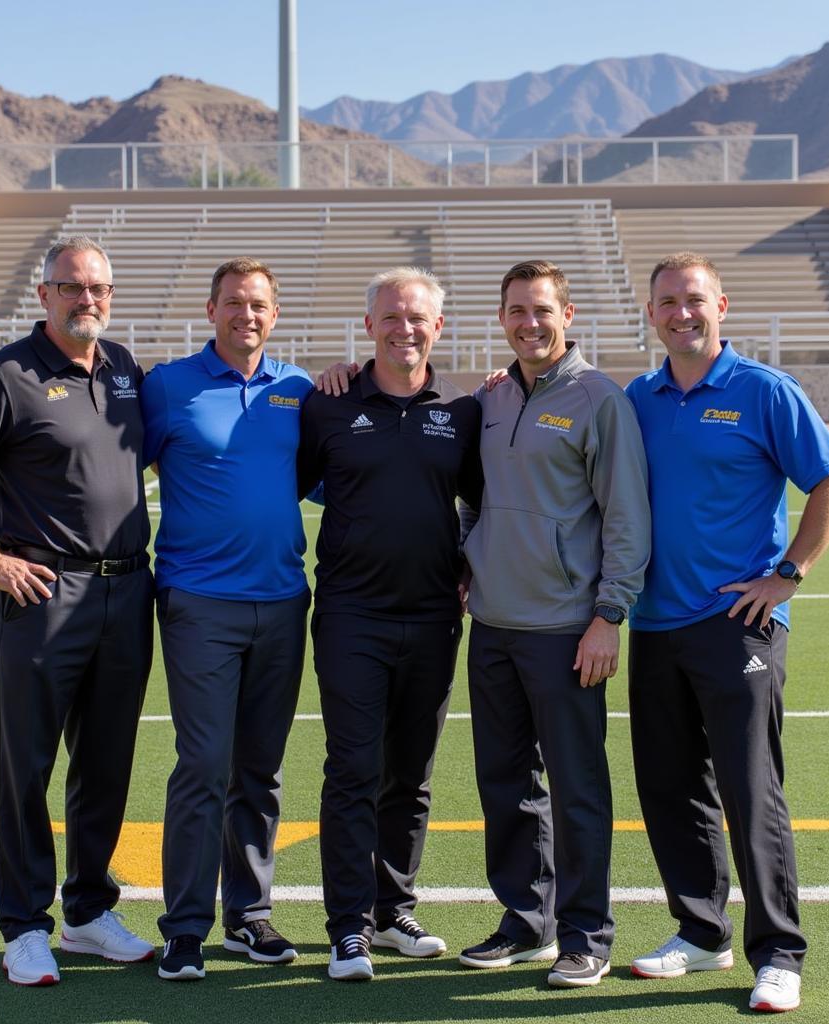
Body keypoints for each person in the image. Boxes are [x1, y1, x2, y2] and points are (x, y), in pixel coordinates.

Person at [0, 235, 155, 986]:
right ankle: (23, 924)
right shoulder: (5, 377)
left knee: (106, 760)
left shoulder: (123, 369)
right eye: (72, 287)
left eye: (99, 288)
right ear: (44, 294)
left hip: (128, 589)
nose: (88, 299)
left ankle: (88, 912)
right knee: (25, 764)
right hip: (45, 595)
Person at [625, 252, 829, 1014]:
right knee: (669, 787)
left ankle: (779, 952)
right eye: (668, 302)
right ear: (651, 312)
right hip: (655, 624)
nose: (681, 313)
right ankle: (700, 932)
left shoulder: (763, 391)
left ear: (721, 305)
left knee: (750, 790)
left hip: (739, 624)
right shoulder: (638, 396)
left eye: (694, 300)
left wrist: (787, 574)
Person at [458, 259, 650, 988]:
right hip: (494, 625)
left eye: (542, 310)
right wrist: (468, 562)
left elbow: (627, 516)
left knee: (576, 788)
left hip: (567, 629)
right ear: (502, 318)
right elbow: (476, 497)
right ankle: (524, 921)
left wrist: (608, 616)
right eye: (516, 310)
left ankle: (586, 935)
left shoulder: (600, 398)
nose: (529, 323)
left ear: (567, 315)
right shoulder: (495, 398)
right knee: (504, 783)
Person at [297, 267, 483, 981]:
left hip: (436, 616)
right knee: (352, 770)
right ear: (369, 324)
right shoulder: (328, 405)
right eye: (392, 317)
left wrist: (469, 563)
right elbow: (283, 483)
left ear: (438, 328)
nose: (405, 329)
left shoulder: (464, 412)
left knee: (412, 773)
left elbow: (485, 499)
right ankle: (348, 927)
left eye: (419, 319)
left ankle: (392, 907)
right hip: (351, 616)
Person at [141, 257, 314, 981]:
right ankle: (184, 925)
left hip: (282, 601)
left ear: (275, 314)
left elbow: (331, 475)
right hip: (198, 603)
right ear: (211, 309)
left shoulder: (300, 390)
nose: (248, 314)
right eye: (236, 303)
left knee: (260, 769)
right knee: (204, 764)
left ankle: (248, 916)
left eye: (261, 305)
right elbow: (111, 469)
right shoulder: (167, 387)